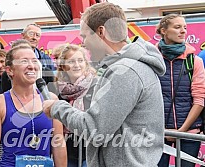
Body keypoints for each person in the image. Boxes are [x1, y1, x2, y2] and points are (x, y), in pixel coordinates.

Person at [43, 2, 166, 167]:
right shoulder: (128, 67)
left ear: (101, 31)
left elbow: (93, 129)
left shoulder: (125, 71)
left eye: (85, 36)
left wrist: (57, 107)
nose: (84, 43)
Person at [0, 45, 67, 167]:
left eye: (34, 61)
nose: (31, 65)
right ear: (10, 70)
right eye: (24, 61)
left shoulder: (51, 99)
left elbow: (59, 146)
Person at [156, 14, 205, 167]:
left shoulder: (194, 60)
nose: (183, 31)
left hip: (189, 132)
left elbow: (199, 98)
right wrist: (160, 128)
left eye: (185, 27)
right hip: (157, 132)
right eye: (177, 27)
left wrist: (182, 130)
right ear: (163, 30)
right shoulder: (152, 59)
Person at [55, 44, 96, 167]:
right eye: (71, 61)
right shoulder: (58, 90)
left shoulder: (96, 86)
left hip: (91, 148)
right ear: (63, 66)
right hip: (67, 150)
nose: (77, 65)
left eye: (80, 60)